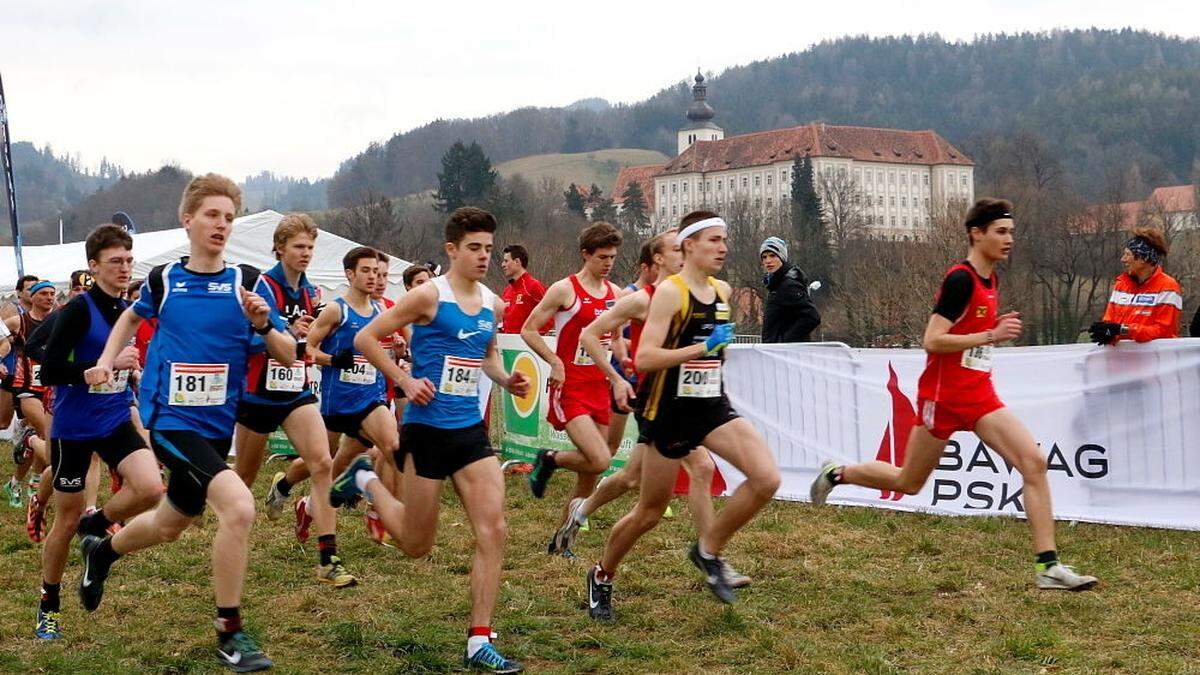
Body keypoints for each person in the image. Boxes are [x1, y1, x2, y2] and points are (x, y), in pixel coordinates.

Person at [810, 198, 1098, 592]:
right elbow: (932, 340)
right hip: (941, 400)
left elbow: (970, 332)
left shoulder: (991, 279)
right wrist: (990, 335)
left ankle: (1048, 567)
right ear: (976, 234)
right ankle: (837, 473)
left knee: (1033, 463)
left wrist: (988, 329)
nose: (1009, 239)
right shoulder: (960, 279)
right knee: (909, 482)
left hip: (979, 396)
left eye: (1011, 231)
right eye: (1000, 231)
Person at [81, 173, 296, 671]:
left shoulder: (246, 282)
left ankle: (103, 551)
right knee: (239, 508)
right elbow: (131, 319)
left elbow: (288, 353)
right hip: (170, 421)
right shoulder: (164, 280)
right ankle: (230, 632)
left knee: (173, 522)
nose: (221, 224)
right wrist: (110, 359)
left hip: (218, 424)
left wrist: (264, 323)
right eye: (212, 215)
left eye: (228, 217)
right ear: (188, 220)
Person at [333, 206, 530, 673]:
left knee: (494, 529)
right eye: (474, 248)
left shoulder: (492, 304)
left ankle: (478, 639)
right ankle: (364, 479)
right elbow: (366, 338)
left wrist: (506, 381)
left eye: (488, 248)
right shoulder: (427, 297)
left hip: (468, 432)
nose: (484, 257)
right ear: (452, 250)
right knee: (417, 544)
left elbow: (486, 358)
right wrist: (403, 378)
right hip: (425, 430)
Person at [587, 211, 780, 619]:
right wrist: (702, 348)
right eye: (713, 240)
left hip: (711, 405)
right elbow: (646, 357)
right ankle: (602, 575)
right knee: (649, 513)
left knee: (766, 478)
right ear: (689, 246)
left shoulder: (724, 291)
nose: (723, 247)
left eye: (725, 239)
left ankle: (708, 550)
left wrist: (712, 355)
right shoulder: (670, 294)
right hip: (669, 411)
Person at [556, 230, 752, 592]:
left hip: (691, 403)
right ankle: (711, 558)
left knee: (631, 478)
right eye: (676, 250)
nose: (683, 255)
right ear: (659, 259)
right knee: (697, 471)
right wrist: (617, 376)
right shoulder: (642, 299)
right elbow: (591, 335)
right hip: (656, 405)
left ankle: (580, 511)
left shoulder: (699, 293)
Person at [32, 224, 166, 640]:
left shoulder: (130, 309)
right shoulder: (77, 310)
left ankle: (97, 533)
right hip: (73, 428)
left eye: (128, 260)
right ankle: (48, 602)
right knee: (65, 519)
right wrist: (89, 372)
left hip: (114, 416)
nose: (125, 268)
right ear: (94, 266)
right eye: (115, 262)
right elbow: (48, 368)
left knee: (150, 488)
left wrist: (130, 370)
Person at [233, 213, 356, 588]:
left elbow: (306, 346)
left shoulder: (310, 292)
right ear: (280, 248)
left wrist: (304, 340)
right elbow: (250, 339)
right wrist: (284, 334)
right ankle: (232, 541)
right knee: (243, 480)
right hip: (258, 392)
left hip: (295, 390)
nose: (305, 253)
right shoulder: (262, 286)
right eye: (298, 247)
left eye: (310, 247)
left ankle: (327, 558)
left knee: (322, 462)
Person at [520, 222, 624, 554]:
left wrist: (622, 364)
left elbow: (617, 337)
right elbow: (529, 329)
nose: (608, 264)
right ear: (585, 254)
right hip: (570, 387)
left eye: (612, 257)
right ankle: (548, 459)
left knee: (590, 474)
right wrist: (554, 361)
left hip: (598, 387)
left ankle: (563, 541)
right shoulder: (565, 290)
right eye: (602, 257)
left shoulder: (616, 295)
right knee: (597, 459)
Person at [1088, 227, 1182, 345]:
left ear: (1142, 258)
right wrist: (1106, 332)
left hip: (1155, 361)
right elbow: (1110, 322)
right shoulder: (1121, 284)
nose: (1123, 259)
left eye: (1128, 255)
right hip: (1120, 361)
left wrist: (1124, 330)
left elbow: (1164, 332)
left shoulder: (1168, 287)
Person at [759, 236, 820, 343]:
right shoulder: (775, 285)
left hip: (785, 353)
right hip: (775, 353)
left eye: (773, 255)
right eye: (764, 257)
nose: (768, 261)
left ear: (782, 257)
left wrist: (784, 341)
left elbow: (812, 316)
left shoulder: (788, 285)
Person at [499, 244, 549, 334]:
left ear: (517, 262)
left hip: (527, 346)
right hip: (508, 345)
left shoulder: (534, 286)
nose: (502, 265)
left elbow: (549, 316)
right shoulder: (507, 291)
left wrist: (533, 338)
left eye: (506, 261)